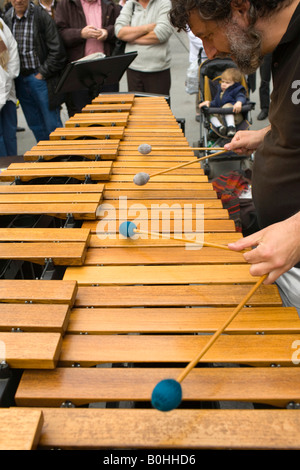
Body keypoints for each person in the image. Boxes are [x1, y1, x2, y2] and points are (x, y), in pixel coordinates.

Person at [169, 0, 300, 313]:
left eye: (208, 35)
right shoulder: (278, 45)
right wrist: (267, 134)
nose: (210, 53)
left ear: (240, 8)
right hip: (281, 254)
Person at [4, 0, 66, 142]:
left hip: (40, 78)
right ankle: (45, 159)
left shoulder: (40, 16)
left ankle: (61, 158)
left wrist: (42, 74)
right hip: (20, 80)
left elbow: (57, 50)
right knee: (35, 124)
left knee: (52, 123)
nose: (18, 1)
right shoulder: (7, 18)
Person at [55, 0, 121, 117]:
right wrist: (80, 33)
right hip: (79, 70)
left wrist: (107, 32)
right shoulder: (66, 4)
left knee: (109, 114)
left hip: (106, 69)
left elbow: (121, 27)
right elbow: (59, 34)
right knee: (81, 115)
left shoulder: (109, 4)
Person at [114, 0, 174, 96]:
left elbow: (161, 34)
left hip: (158, 69)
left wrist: (132, 38)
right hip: (133, 68)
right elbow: (119, 31)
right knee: (136, 109)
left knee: (158, 110)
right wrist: (146, 28)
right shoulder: (130, 3)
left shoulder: (164, 3)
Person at [199, 67, 247, 137]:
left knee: (226, 107)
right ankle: (220, 127)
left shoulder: (236, 90)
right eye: (222, 81)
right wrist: (208, 103)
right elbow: (216, 103)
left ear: (235, 83)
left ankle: (231, 128)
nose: (224, 84)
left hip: (235, 116)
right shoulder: (220, 91)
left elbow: (241, 96)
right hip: (222, 118)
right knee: (210, 114)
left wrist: (239, 102)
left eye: (227, 83)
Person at [0, 17, 19, 156]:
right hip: (3, 84)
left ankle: (12, 169)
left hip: (8, 87)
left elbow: (12, 46)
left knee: (10, 133)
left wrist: (9, 74)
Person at [257, 53, 272, 121]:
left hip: (281, 49)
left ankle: (281, 107)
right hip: (266, 52)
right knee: (264, 81)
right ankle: (265, 108)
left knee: (281, 81)